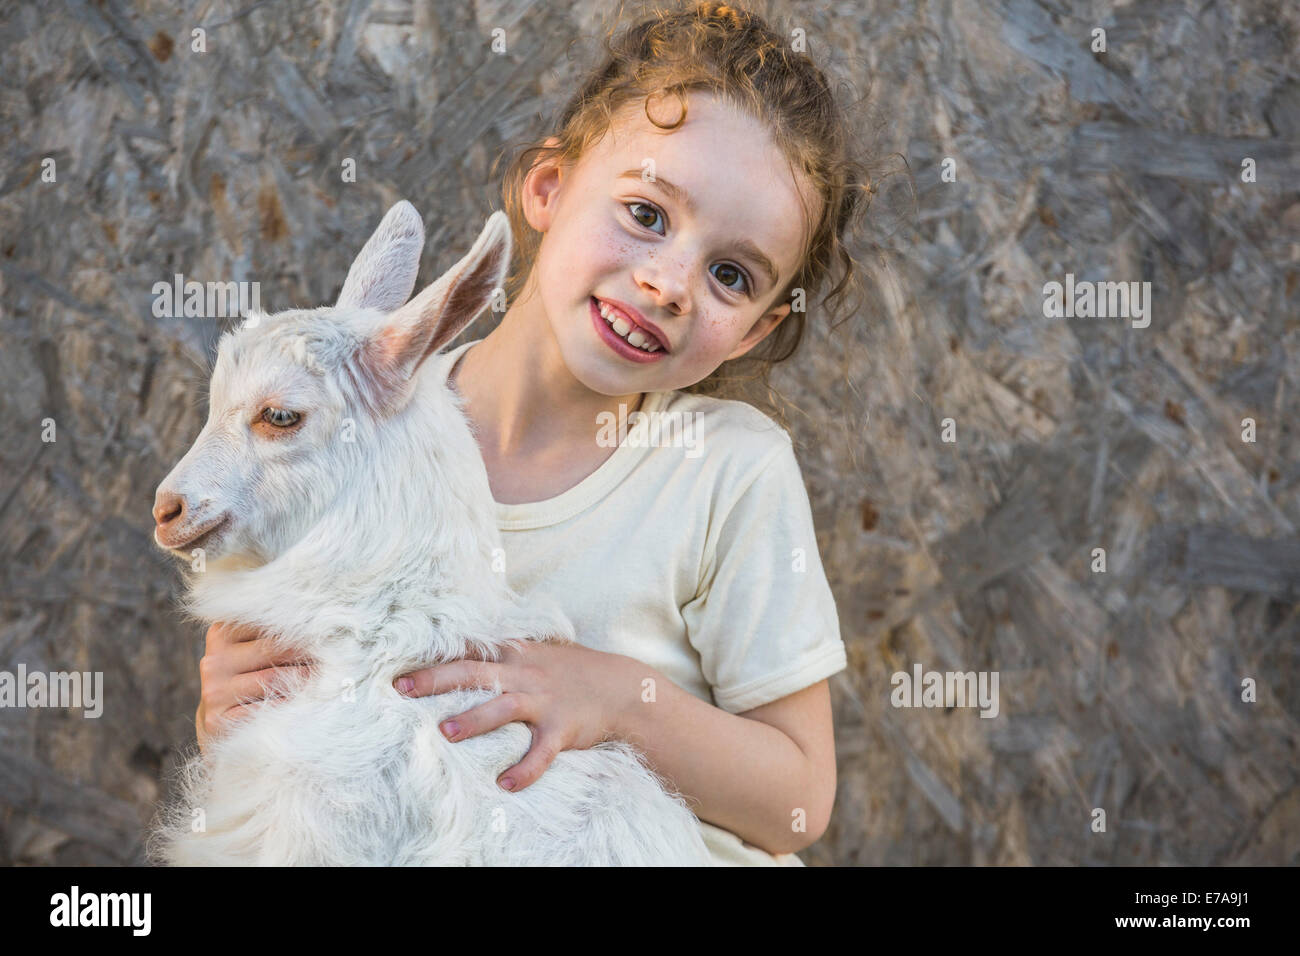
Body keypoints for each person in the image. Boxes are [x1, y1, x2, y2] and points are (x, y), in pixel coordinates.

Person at [195, 0, 872, 865]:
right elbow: (284, 702)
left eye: (731, 274)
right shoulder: (352, 426)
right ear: (548, 187)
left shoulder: (729, 474)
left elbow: (799, 804)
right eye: (647, 213)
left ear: (753, 331)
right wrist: (227, 705)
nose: (669, 282)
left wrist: (622, 700)